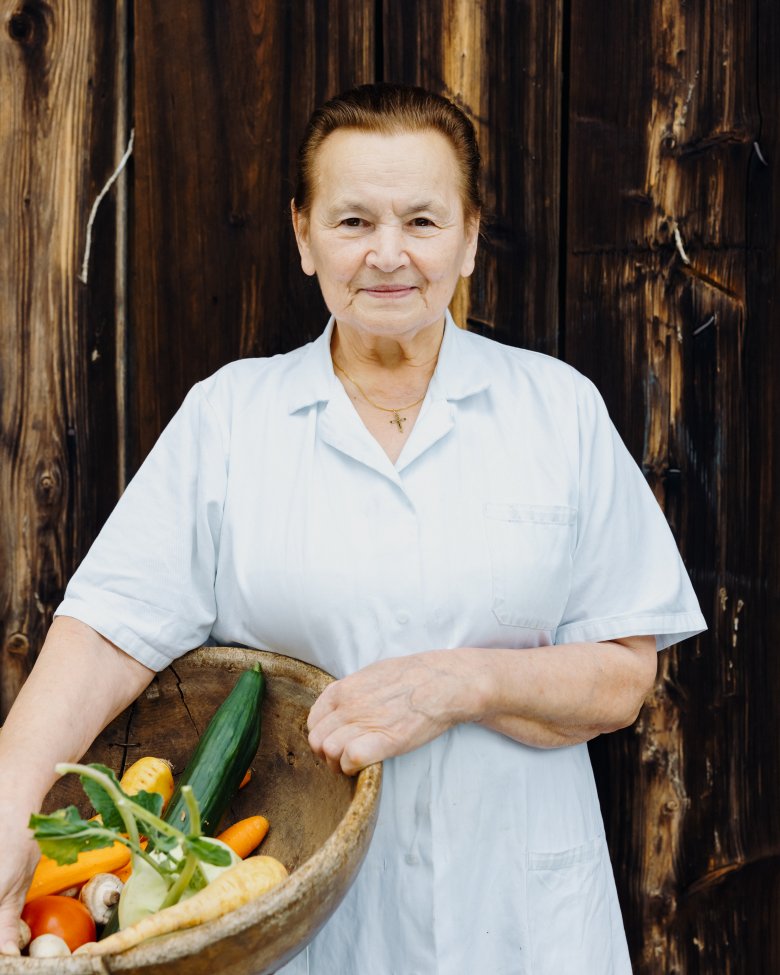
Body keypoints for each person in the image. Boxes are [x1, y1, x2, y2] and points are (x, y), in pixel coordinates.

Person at [0, 84, 705, 972]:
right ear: (303, 235)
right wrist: (10, 806)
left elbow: (622, 674)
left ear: (470, 234)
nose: (388, 255)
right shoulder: (230, 419)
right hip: (300, 926)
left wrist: (458, 682)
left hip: (519, 920)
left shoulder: (555, 409)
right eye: (352, 221)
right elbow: (104, 636)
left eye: (421, 220)